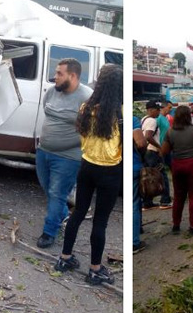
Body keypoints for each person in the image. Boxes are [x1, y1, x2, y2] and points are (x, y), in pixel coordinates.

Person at [55, 64, 122, 285]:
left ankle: (64, 258)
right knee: (100, 222)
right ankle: (95, 270)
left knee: (78, 213)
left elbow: (82, 136)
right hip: (110, 172)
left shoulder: (86, 107)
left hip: (86, 167)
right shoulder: (119, 113)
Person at [35, 58, 92, 249]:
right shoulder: (52, 92)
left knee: (56, 193)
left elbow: (91, 130)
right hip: (44, 152)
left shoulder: (87, 98)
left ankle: (49, 232)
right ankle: (63, 215)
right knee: (48, 189)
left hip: (69, 157)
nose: (55, 77)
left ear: (73, 76)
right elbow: (47, 111)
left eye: (59, 73)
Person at [161, 106, 193, 236]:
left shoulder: (170, 132)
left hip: (177, 165)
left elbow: (164, 151)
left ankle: (176, 225)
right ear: (189, 116)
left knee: (179, 196)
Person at [141, 100, 170, 209]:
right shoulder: (152, 121)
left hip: (146, 152)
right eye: (157, 110)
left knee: (148, 177)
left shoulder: (144, 119)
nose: (159, 111)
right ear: (151, 110)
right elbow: (148, 136)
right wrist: (159, 147)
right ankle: (165, 201)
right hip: (152, 152)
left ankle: (147, 202)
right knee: (162, 176)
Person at [132, 115, 148, 254]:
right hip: (133, 165)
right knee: (134, 204)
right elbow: (141, 143)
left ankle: (137, 229)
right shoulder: (131, 119)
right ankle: (134, 242)